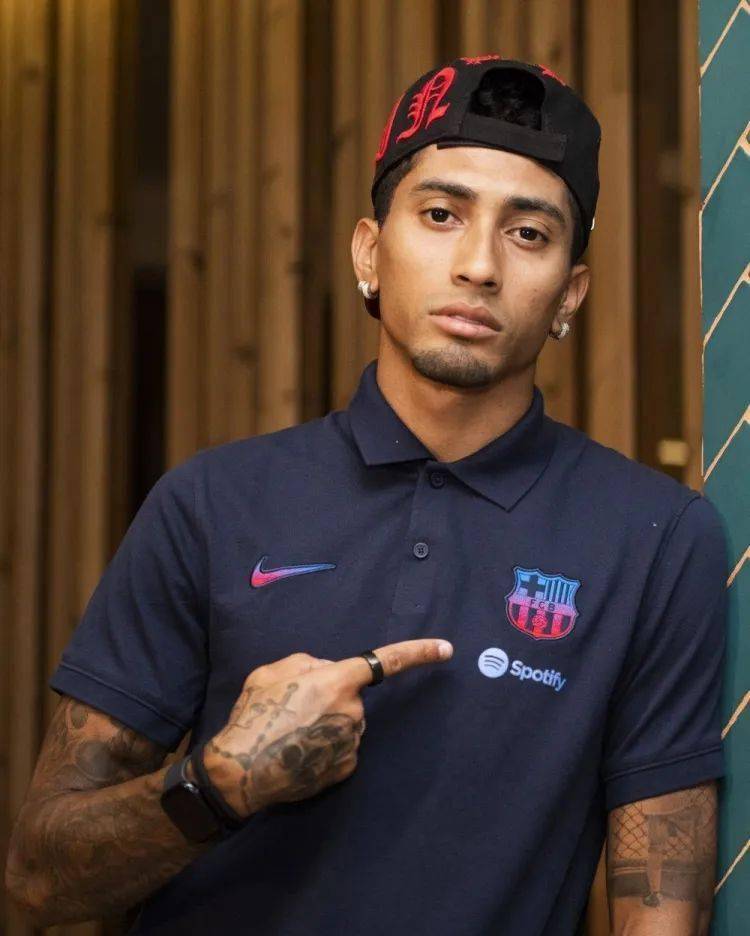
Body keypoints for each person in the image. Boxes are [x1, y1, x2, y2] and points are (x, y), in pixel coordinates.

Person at [6, 56, 728, 936]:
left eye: (528, 233)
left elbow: (662, 909)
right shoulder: (210, 504)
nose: (479, 265)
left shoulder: (655, 538)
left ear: (568, 295)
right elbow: (37, 883)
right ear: (369, 253)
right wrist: (221, 784)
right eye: (440, 214)